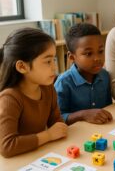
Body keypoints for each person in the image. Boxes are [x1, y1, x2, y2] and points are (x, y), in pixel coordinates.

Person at [0, 28, 68, 158]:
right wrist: (48, 135)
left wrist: (58, 130)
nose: (55, 67)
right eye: (48, 61)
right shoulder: (9, 99)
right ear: (22, 67)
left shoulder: (48, 88)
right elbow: (7, 146)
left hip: (37, 155)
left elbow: (57, 124)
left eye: (54, 60)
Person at [54, 23, 113, 125]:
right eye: (88, 54)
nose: (97, 58)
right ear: (71, 57)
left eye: (100, 51)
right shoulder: (63, 83)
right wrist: (83, 115)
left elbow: (108, 108)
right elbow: (56, 119)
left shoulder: (105, 76)